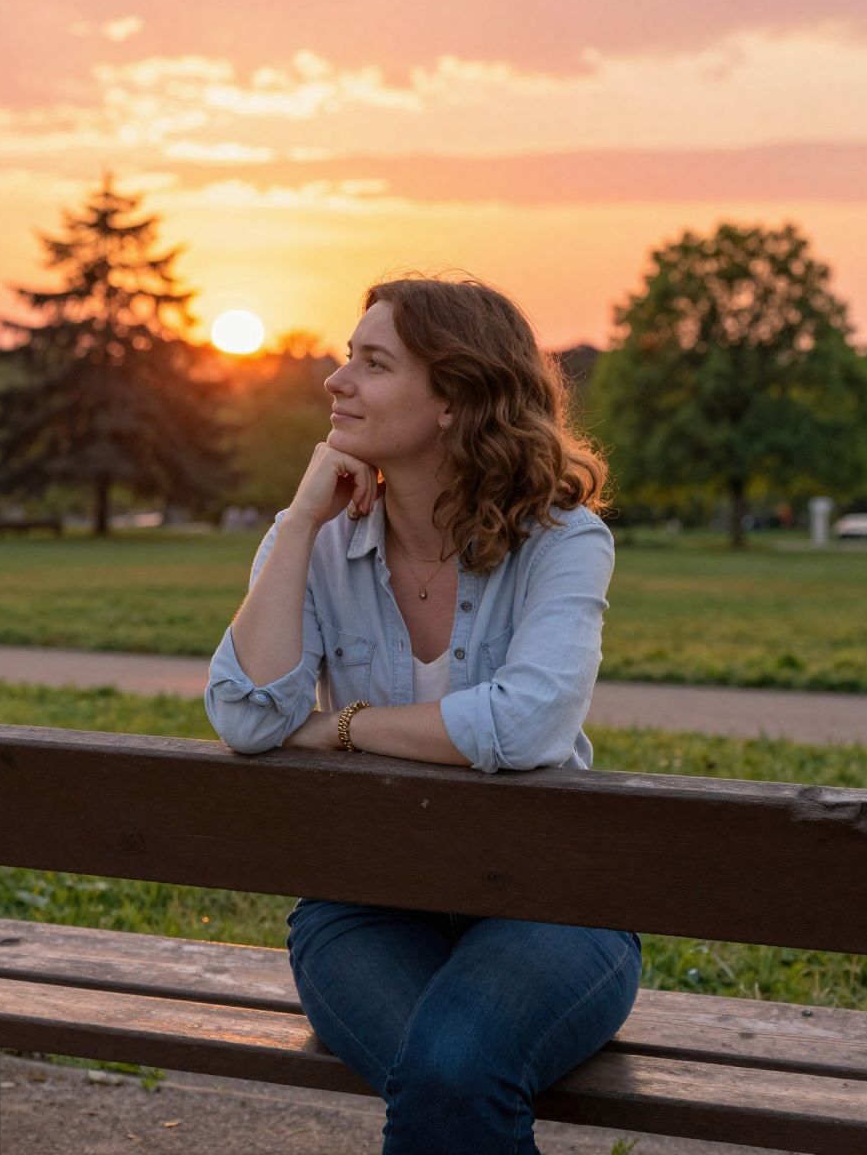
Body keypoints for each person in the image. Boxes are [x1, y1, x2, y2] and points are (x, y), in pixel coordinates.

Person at [205, 274, 638, 1154]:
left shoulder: (562, 539)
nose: (336, 380)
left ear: (454, 399)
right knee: (450, 1075)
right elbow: (249, 717)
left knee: (452, 1071)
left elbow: (529, 728)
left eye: (372, 363)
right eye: (345, 357)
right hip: (366, 909)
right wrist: (294, 525)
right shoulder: (317, 540)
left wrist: (343, 726)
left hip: (550, 906)